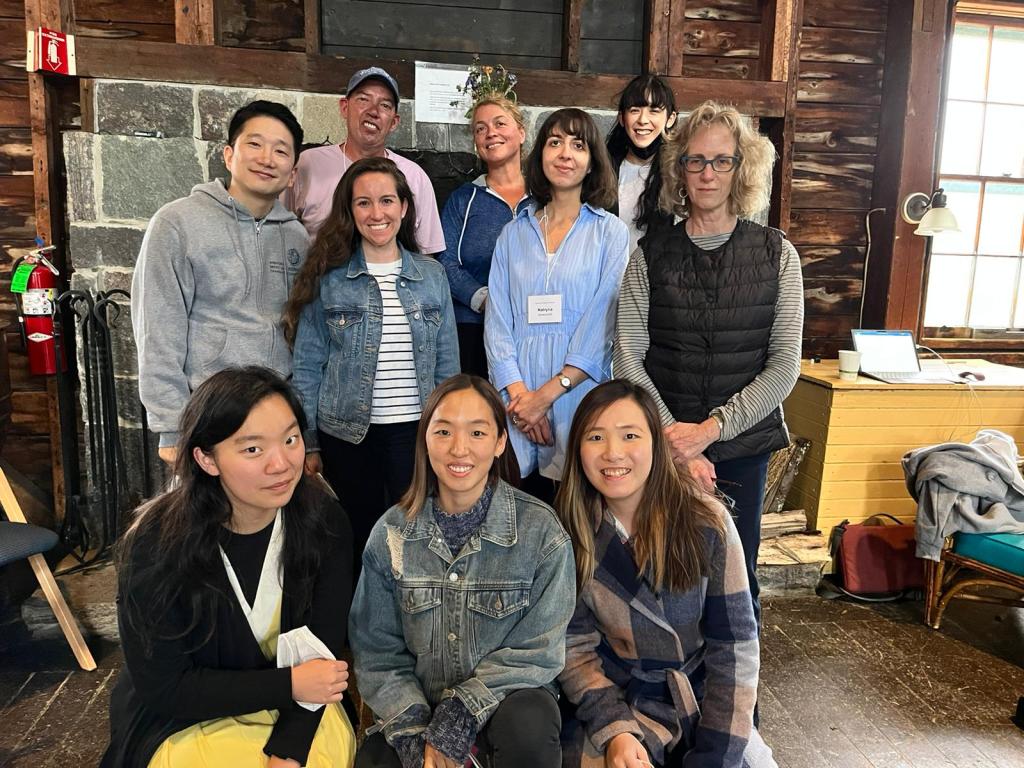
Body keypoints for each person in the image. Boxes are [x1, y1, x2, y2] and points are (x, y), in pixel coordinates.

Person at [101, 366, 355, 768]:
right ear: (206, 458)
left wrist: (289, 750)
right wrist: (289, 683)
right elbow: (166, 687)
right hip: (185, 717)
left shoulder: (324, 523)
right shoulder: (155, 543)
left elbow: (322, 656)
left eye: (290, 440)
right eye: (253, 449)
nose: (281, 464)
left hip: (302, 710)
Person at [613, 100, 804, 625]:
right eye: (695, 160)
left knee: (734, 583)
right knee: (660, 577)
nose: (707, 173)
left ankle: (737, 679)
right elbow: (627, 355)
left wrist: (711, 430)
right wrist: (674, 438)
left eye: (722, 160)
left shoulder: (777, 254)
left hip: (741, 450)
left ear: (743, 168)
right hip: (662, 447)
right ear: (679, 170)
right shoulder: (649, 255)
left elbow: (784, 366)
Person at [350, 374, 576, 768]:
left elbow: (539, 651)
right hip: (420, 703)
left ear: (500, 441)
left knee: (529, 728)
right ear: (425, 439)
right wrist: (415, 731)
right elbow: (377, 652)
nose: (459, 448)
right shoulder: (391, 533)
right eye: (443, 431)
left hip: (509, 700)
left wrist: (458, 717)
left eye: (477, 432)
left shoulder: (541, 531)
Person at [556, 380, 776, 768]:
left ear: (657, 444)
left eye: (630, 435)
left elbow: (735, 649)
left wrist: (715, 753)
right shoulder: (569, 533)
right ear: (577, 449)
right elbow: (575, 651)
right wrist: (616, 731)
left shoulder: (708, 522)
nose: (613, 452)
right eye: (595, 437)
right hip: (619, 701)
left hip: (704, 700)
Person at [285, 157, 459, 569]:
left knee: (414, 537)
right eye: (363, 203)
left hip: (415, 433)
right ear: (350, 210)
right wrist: (309, 441)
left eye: (386, 201)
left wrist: (448, 430)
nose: (376, 213)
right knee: (355, 537)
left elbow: (447, 364)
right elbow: (307, 366)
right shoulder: (329, 277)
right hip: (346, 436)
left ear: (403, 206)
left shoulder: (432, 276)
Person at [131, 100, 308, 466]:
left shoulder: (296, 237)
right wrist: (171, 426)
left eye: (280, 151)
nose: (267, 158)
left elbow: (303, 332)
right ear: (229, 155)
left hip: (276, 412)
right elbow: (158, 328)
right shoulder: (177, 223)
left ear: (292, 173)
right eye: (254, 144)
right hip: (208, 412)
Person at [485, 108, 629, 504]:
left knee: (579, 514)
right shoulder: (512, 234)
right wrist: (522, 400)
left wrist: (546, 396)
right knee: (519, 514)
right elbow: (497, 322)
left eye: (578, 145)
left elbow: (603, 323)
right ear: (541, 155)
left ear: (592, 161)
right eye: (555, 142)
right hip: (516, 402)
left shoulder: (610, 233)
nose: (565, 153)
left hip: (579, 395)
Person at [285, 66, 445, 253]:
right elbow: (280, 232)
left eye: (385, 105)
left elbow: (427, 255)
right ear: (344, 108)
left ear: (394, 122)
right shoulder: (308, 164)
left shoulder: (414, 176)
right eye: (363, 99)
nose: (373, 111)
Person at [438, 93, 530, 378]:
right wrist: (486, 300)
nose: (490, 133)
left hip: (535, 328)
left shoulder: (544, 197)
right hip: (473, 329)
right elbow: (445, 261)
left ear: (521, 133)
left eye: (500, 123)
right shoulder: (463, 199)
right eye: (481, 128)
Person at [606, 74, 677, 256]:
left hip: (656, 272)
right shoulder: (602, 171)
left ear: (670, 119)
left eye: (654, 110)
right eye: (635, 110)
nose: (643, 120)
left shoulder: (677, 174)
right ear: (622, 118)